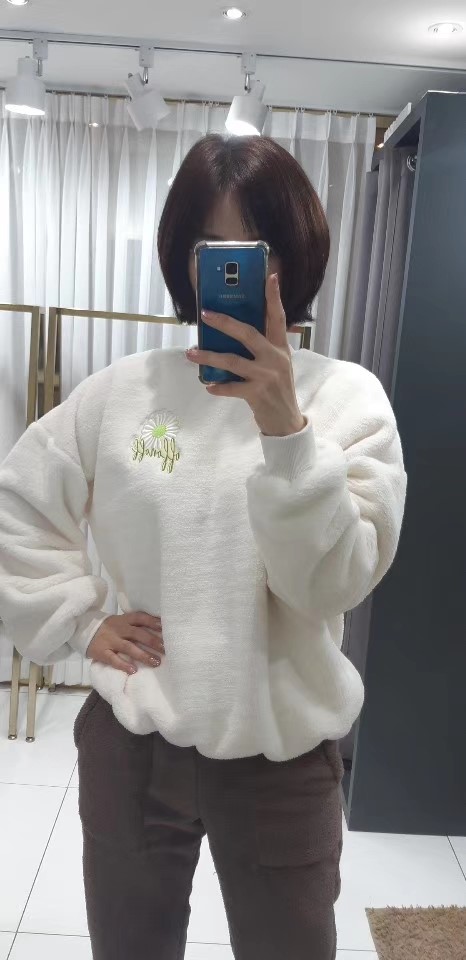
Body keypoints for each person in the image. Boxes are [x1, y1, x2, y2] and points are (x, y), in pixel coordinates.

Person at [0, 134, 406, 960]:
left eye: (258, 250)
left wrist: (285, 430)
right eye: (212, 250)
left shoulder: (347, 399)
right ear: (184, 262)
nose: (237, 274)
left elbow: (333, 585)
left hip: (283, 752)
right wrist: (79, 622)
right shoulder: (123, 392)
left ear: (295, 255)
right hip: (135, 741)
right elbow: (20, 503)